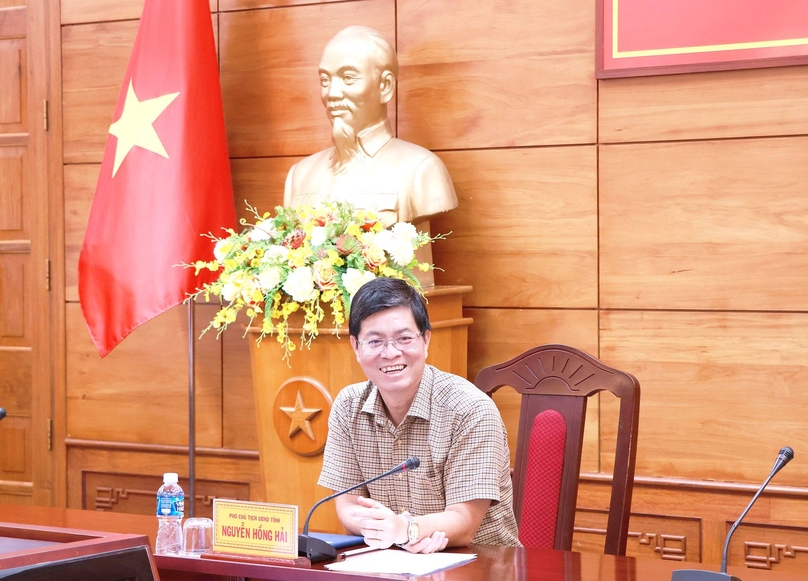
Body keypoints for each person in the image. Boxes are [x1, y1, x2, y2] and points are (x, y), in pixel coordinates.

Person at [318, 277, 520, 553]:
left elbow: (465, 521)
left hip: (479, 564)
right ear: (356, 346)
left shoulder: (470, 409)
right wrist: (388, 529)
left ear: (425, 339)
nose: (391, 353)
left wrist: (406, 530)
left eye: (404, 338)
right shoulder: (348, 406)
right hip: (392, 563)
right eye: (375, 341)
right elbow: (348, 504)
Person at [284, 26, 458, 226]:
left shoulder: (421, 169)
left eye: (348, 78)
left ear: (385, 86)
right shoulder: (299, 175)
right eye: (325, 80)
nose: (331, 93)